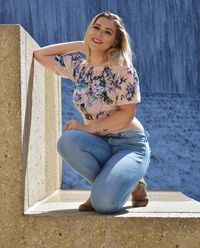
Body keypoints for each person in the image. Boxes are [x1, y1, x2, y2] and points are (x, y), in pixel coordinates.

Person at [33, 12, 151, 214]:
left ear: (115, 41)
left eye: (107, 32)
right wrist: (82, 44)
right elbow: (40, 55)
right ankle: (130, 184)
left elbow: (126, 114)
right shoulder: (79, 67)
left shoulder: (122, 68)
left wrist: (86, 128)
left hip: (128, 144)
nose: (99, 34)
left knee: (104, 205)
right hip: (99, 143)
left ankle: (115, 186)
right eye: (96, 27)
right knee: (67, 142)